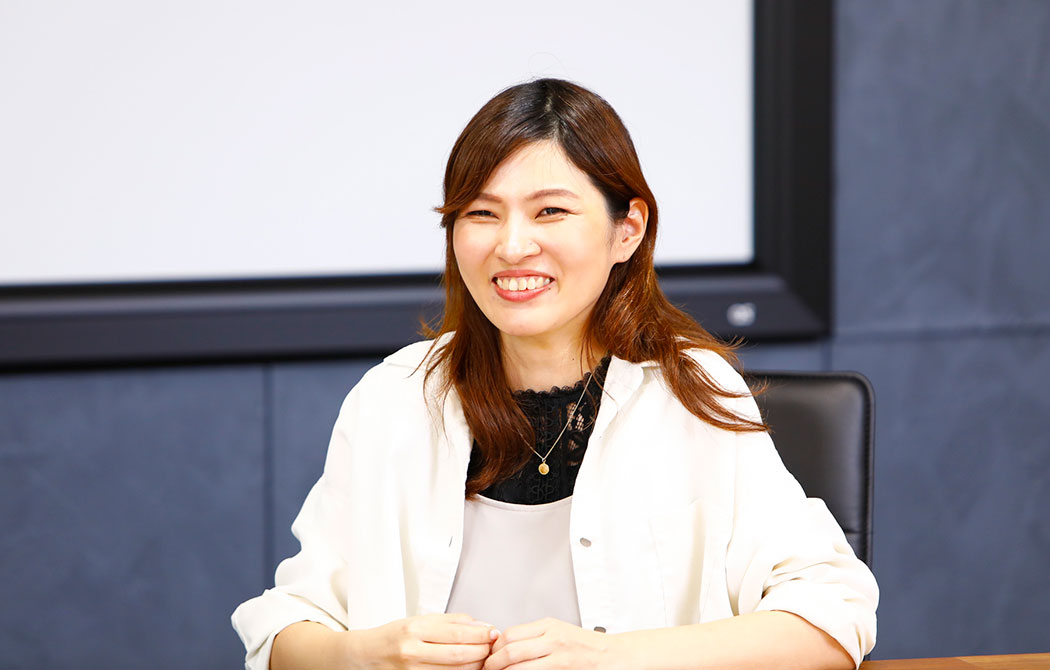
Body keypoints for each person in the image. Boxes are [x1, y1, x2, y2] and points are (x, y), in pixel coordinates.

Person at [232, 78, 878, 670]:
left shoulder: (692, 392)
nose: (512, 246)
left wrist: (615, 659)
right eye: (481, 213)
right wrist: (359, 655)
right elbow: (282, 630)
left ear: (627, 230)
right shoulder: (395, 397)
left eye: (550, 212)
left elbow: (833, 617)